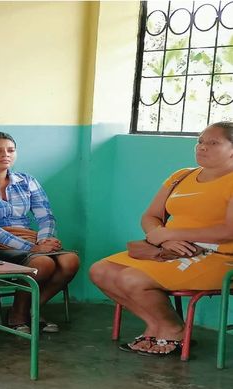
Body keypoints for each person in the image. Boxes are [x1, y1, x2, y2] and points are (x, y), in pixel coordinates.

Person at [89, 122, 233, 357]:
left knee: (132, 278)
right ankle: (160, 326)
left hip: (218, 256)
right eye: (200, 141)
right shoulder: (181, 176)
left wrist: (171, 234)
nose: (202, 147)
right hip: (170, 249)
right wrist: (164, 240)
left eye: (213, 143)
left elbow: (229, 231)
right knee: (100, 271)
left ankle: (173, 330)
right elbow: (151, 216)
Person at [0, 131, 80, 334]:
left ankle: (31, 310)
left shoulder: (26, 180)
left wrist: (44, 240)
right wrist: (32, 248)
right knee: (43, 263)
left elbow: (46, 216)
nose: (5, 154)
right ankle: (19, 314)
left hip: (29, 238)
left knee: (70, 261)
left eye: (10, 150)